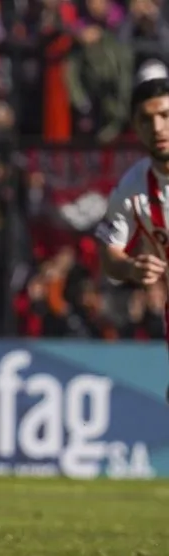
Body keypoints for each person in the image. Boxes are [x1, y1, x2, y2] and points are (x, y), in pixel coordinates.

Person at [97, 75, 169, 400]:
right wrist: (130, 269)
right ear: (135, 126)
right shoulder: (133, 185)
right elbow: (109, 254)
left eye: (165, 116)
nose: (157, 127)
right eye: (147, 119)